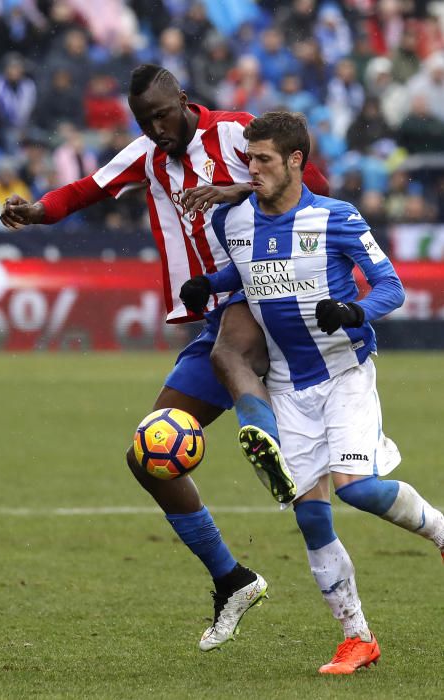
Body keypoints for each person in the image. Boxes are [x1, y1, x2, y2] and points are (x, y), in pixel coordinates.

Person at [0, 64, 329, 652]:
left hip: (270, 295)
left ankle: (264, 438)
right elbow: (87, 190)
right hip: (215, 313)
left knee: (241, 355)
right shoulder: (146, 156)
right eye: (144, 122)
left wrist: (244, 188)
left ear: (183, 100)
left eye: (163, 116)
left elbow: (316, 190)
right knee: (148, 454)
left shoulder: (236, 134)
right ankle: (233, 579)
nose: (157, 130)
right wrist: (37, 212)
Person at [179, 111, 444, 673]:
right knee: (311, 517)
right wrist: (210, 284)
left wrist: (353, 310)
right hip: (288, 387)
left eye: (265, 160)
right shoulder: (236, 221)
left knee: (359, 490)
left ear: (297, 160)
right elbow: (247, 273)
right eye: (249, 158)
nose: (253, 169)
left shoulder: (337, 218)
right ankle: (357, 637)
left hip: (345, 374)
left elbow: (391, 288)